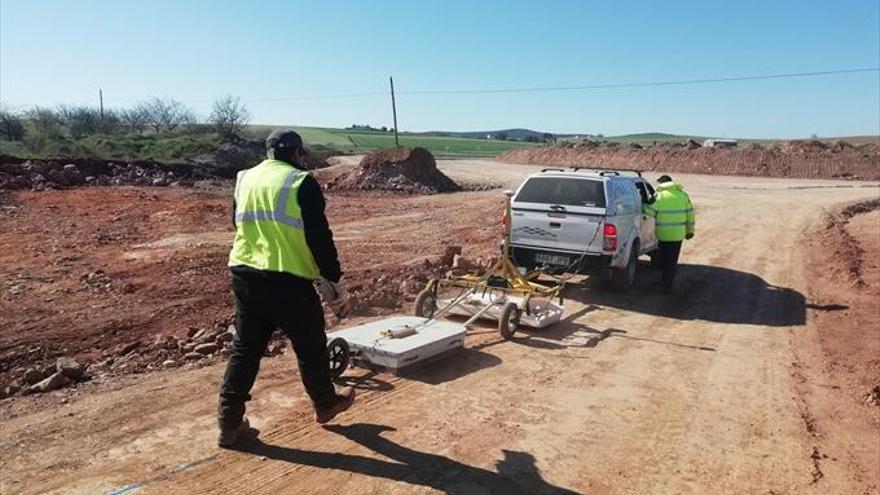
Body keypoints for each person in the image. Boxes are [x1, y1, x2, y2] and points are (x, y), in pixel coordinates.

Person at [218, 129, 355, 448]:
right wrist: (333, 279)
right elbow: (319, 237)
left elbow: (237, 224)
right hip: (288, 279)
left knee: (245, 349)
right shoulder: (300, 182)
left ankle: (229, 424)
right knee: (310, 345)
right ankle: (325, 403)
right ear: (297, 153)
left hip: (245, 273)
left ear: (268, 153)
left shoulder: (245, 178)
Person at [643, 175, 695, 293]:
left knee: (663, 259)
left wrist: (644, 205)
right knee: (672, 261)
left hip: (662, 235)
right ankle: (668, 285)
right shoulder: (683, 195)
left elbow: (649, 211)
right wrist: (690, 231)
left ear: (662, 183)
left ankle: (664, 284)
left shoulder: (659, 196)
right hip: (678, 236)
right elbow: (690, 215)